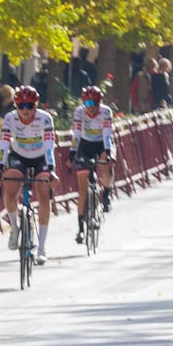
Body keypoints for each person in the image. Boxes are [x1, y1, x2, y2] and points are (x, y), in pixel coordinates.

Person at [0, 86, 57, 264]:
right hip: (19, 156)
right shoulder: (10, 118)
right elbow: (4, 143)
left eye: (29, 106)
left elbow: (49, 146)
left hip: (40, 157)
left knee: (44, 194)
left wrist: (51, 169)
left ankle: (41, 248)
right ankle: (15, 228)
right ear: (15, 105)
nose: (25, 110)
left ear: (35, 105)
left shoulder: (45, 118)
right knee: (10, 185)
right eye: (20, 105)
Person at [71, 85, 115, 244]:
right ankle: (81, 229)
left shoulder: (105, 112)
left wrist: (108, 151)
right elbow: (76, 133)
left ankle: (106, 194)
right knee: (82, 189)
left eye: (94, 104)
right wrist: (72, 151)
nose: (91, 108)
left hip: (102, 143)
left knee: (105, 164)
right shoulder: (79, 112)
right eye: (87, 104)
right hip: (85, 144)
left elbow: (107, 133)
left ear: (99, 103)